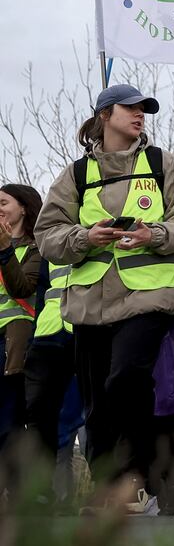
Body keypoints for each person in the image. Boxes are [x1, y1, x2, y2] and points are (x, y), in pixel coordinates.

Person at [34, 84, 174, 512]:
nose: (140, 114)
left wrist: (153, 234)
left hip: (148, 298)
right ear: (105, 114)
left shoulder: (163, 165)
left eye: (144, 109)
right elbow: (46, 237)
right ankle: (109, 484)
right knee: (96, 403)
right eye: (130, 108)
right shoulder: (77, 174)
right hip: (89, 302)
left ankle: (135, 477)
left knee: (125, 379)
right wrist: (84, 237)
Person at [0, 184, 43, 453]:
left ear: (24, 208)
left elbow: (22, 289)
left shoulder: (37, 249)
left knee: (9, 427)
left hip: (12, 347)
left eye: (3, 203)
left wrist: (5, 250)